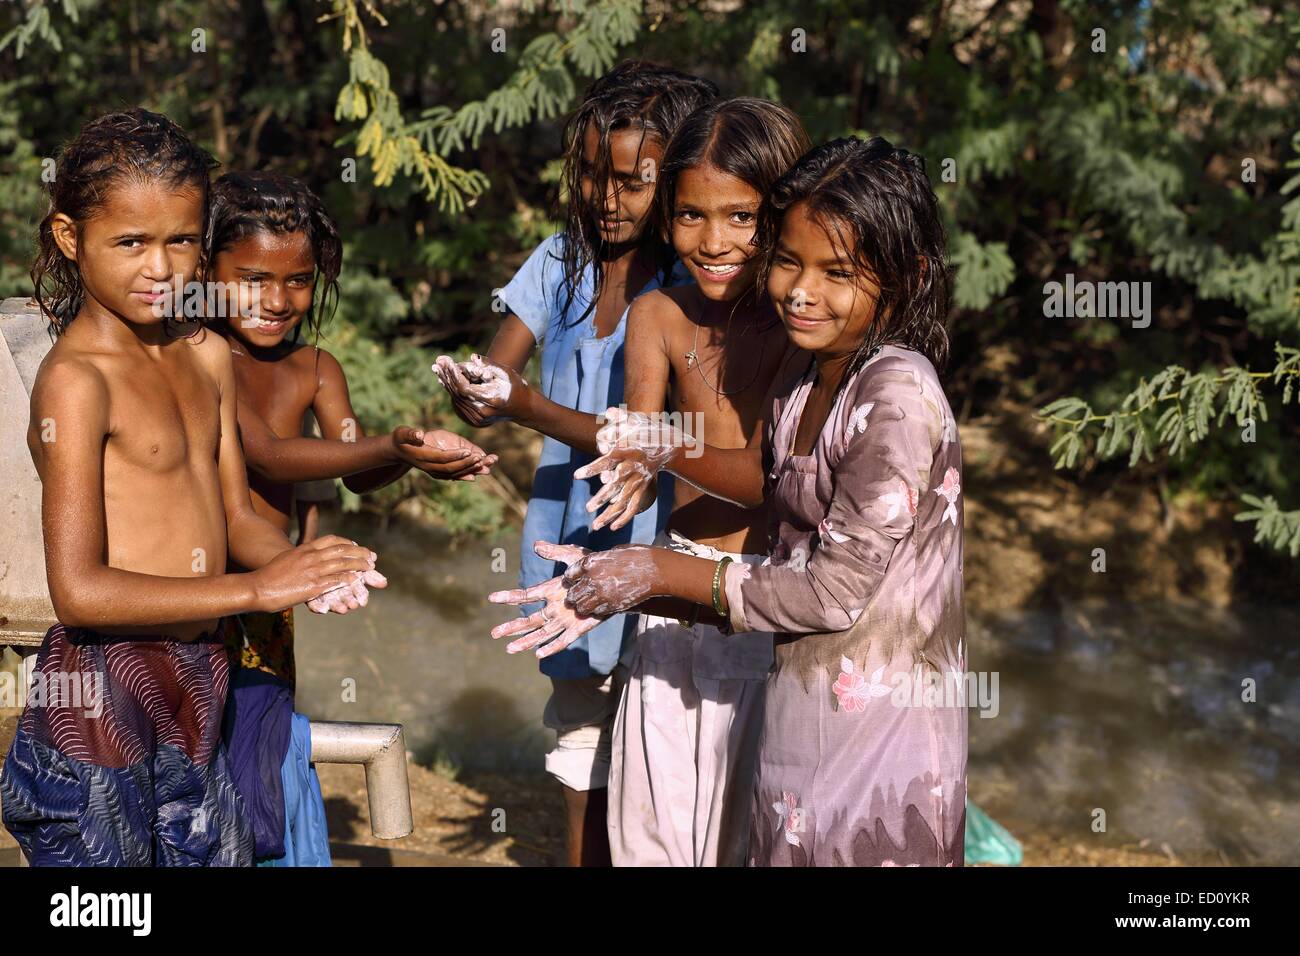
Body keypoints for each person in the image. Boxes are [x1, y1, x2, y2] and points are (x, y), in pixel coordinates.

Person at [490, 136, 968, 867]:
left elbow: (833, 594)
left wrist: (657, 573)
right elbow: (778, 529)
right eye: (788, 261)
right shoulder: (807, 381)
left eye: (837, 272)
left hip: (878, 754)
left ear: (908, 277)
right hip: (800, 732)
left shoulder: (896, 394)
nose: (802, 291)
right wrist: (620, 590)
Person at [0, 109, 381, 866]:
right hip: (101, 691)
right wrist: (251, 594)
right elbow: (79, 591)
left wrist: (306, 572)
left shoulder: (203, 353)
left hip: (200, 674)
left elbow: (235, 515)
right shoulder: (77, 383)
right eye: (131, 242)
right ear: (71, 239)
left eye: (181, 239)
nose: (162, 268)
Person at [435, 61, 717, 865]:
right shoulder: (558, 263)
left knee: (664, 725)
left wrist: (524, 404)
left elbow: (644, 435)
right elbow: (500, 369)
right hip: (567, 533)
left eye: (634, 181)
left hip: (664, 544)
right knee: (582, 731)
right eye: (592, 173)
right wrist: (475, 394)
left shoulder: (689, 285)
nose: (607, 196)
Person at [204, 170, 493, 865]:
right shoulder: (197, 354)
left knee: (259, 748)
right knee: (197, 751)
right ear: (204, 270)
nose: (276, 301)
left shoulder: (316, 368)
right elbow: (268, 455)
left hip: (275, 590)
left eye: (298, 280)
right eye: (251, 278)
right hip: (200, 589)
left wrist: (413, 451)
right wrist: (391, 444)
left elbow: (352, 468)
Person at [583, 97, 809, 866]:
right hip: (672, 602)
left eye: (742, 217)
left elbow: (767, 483)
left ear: (781, 213)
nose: (715, 242)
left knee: (747, 836)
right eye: (690, 217)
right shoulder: (658, 317)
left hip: (768, 606)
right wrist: (626, 473)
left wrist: (655, 448)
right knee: (654, 834)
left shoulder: (803, 329)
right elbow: (634, 456)